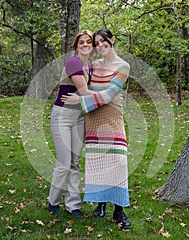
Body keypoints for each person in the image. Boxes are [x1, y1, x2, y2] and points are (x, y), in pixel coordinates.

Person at [62, 28, 132, 230]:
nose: (100, 45)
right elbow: (76, 80)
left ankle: (119, 210)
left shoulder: (123, 66)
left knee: (118, 163)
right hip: (93, 119)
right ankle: (101, 204)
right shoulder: (92, 66)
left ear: (112, 41)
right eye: (97, 42)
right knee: (99, 163)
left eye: (104, 41)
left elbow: (110, 94)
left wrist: (81, 99)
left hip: (112, 119)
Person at [48, 30, 96, 218]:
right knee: (64, 163)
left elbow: (86, 94)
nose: (85, 45)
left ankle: (73, 205)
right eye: (81, 42)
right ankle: (54, 201)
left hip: (79, 117)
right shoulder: (73, 62)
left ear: (92, 46)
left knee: (75, 162)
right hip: (62, 116)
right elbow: (85, 92)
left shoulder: (89, 66)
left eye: (88, 42)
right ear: (76, 46)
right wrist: (110, 94)